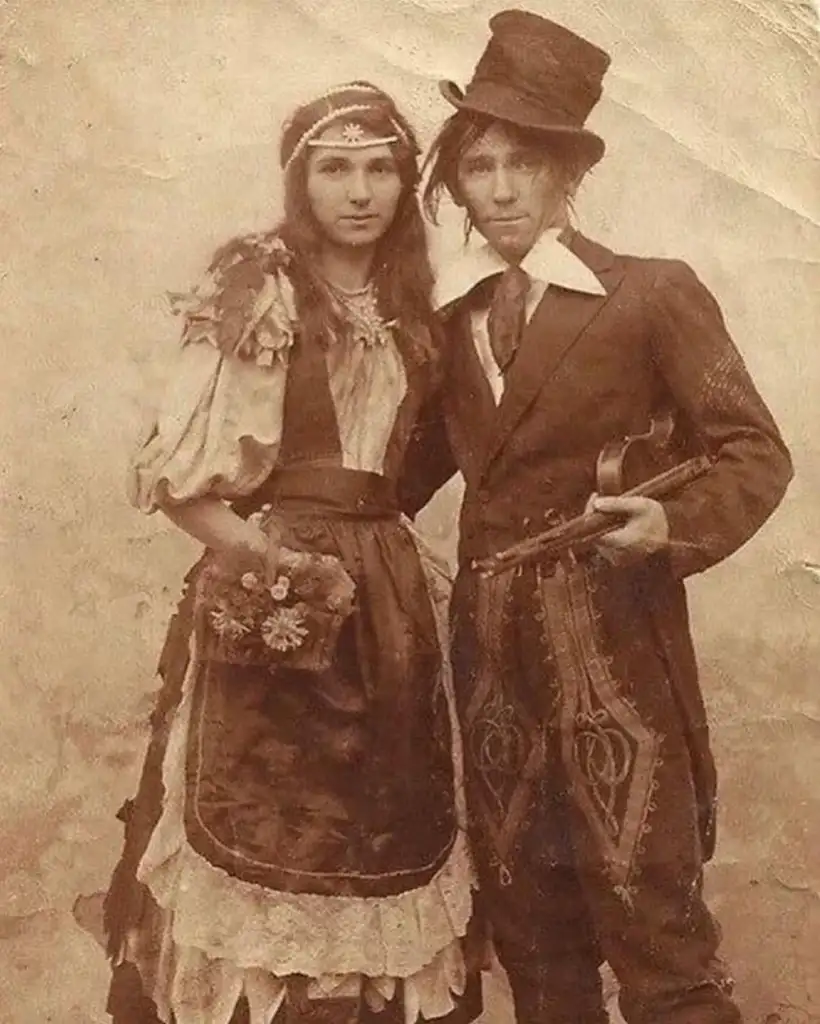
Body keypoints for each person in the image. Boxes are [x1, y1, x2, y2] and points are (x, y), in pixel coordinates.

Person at [399, 11, 794, 1024]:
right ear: (453, 181)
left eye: (522, 166)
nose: (497, 192)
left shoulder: (649, 294)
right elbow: (393, 480)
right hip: (488, 660)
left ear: (565, 176)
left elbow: (753, 449)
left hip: (612, 650)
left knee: (655, 932)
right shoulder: (447, 320)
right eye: (478, 167)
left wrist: (670, 527)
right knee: (533, 940)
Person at [102, 81, 482, 1024]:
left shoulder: (421, 303)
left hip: (391, 602)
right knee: (265, 823)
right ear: (300, 181)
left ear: (405, 182)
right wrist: (279, 568)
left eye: (381, 168)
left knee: (379, 832)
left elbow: (427, 460)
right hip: (276, 589)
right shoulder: (260, 285)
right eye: (335, 169)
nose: (360, 191)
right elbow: (185, 487)